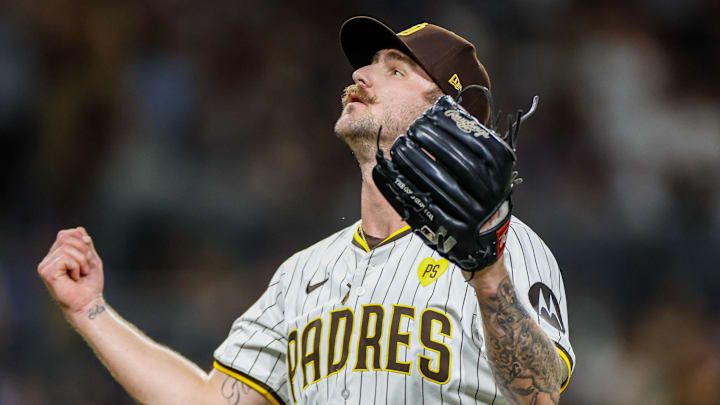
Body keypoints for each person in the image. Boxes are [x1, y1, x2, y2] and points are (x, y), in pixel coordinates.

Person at [37, 16, 574, 405]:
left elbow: (542, 394)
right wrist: (90, 311)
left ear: (451, 117)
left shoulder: (506, 246)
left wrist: (487, 274)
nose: (362, 74)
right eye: (367, 63)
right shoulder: (302, 274)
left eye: (395, 70)